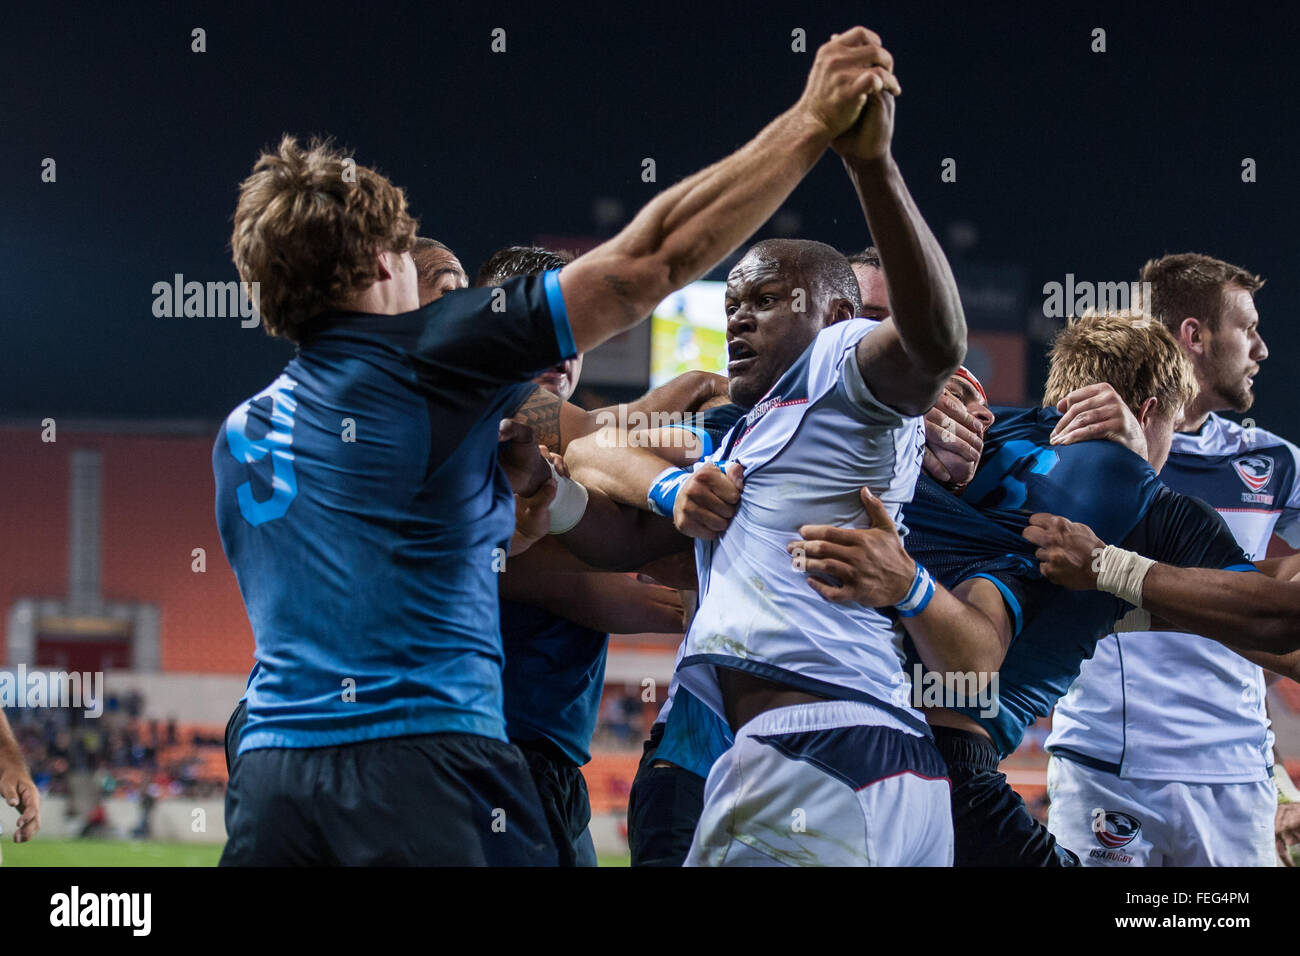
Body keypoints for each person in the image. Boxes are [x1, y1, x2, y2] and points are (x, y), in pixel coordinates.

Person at [215, 26, 902, 865]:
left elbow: (536, 462)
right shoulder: (437, 359)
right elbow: (645, 261)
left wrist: (542, 499)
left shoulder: (243, 432)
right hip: (420, 764)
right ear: (380, 260)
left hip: (269, 776)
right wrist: (809, 120)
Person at [1043, 253, 1300, 867]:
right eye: (1248, 328)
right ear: (1195, 335)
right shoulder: (1074, 441)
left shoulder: (1274, 461)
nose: (1261, 348)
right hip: (1101, 762)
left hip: (1234, 769)